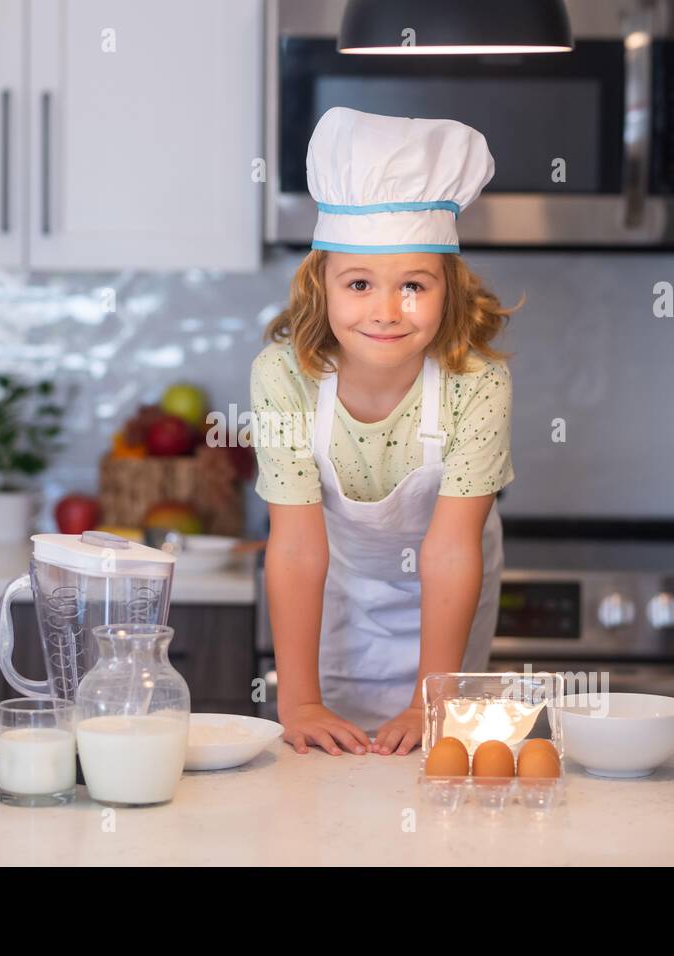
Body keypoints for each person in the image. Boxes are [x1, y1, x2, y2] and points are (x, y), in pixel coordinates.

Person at [250, 107, 518, 756]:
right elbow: (294, 549)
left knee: (439, 781)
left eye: (414, 286)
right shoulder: (283, 376)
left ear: (448, 289)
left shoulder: (476, 381)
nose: (386, 311)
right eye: (361, 283)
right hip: (332, 602)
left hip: (449, 614)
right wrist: (299, 702)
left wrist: (433, 698)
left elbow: (452, 551)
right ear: (322, 284)